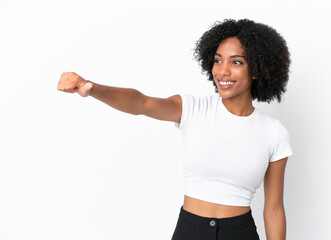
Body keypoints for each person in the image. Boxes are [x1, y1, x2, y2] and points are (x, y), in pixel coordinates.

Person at [57, 18, 293, 240]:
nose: (222, 71)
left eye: (236, 62)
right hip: (190, 230)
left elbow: (273, 209)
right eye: (218, 60)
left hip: (239, 232)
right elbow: (141, 102)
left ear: (256, 70)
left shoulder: (273, 133)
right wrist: (92, 88)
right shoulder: (193, 109)